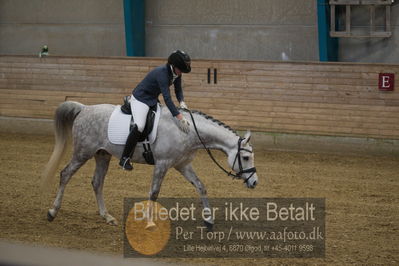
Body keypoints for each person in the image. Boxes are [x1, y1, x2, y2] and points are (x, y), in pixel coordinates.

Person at [119, 50, 191, 171]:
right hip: (140, 99)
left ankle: (150, 151)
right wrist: (178, 116)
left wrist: (182, 102)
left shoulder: (176, 73)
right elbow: (167, 98)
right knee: (140, 126)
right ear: (174, 66)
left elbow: (178, 90)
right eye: (180, 70)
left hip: (152, 99)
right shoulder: (162, 73)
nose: (181, 73)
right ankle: (125, 158)